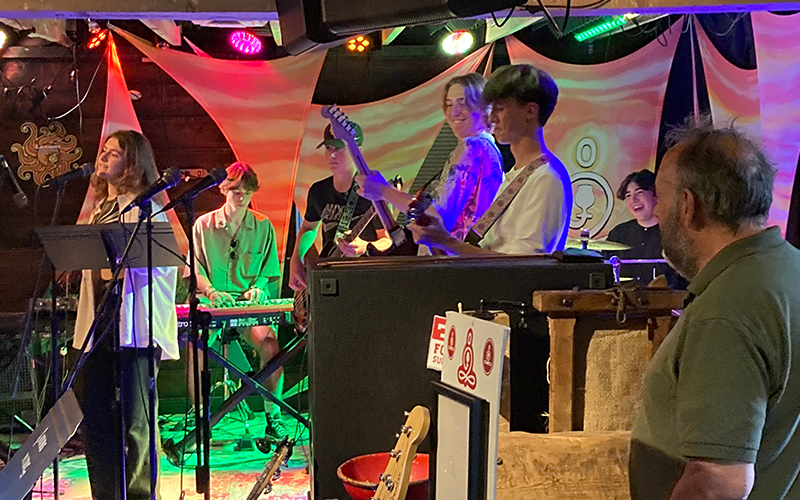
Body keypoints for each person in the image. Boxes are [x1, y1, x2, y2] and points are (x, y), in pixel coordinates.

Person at [629, 122, 800, 499]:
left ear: (689, 207)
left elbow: (718, 481)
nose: (657, 214)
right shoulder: (789, 270)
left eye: (662, 197)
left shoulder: (726, 310)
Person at [73, 130, 179, 500]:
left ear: (133, 163)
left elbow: (168, 264)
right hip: (97, 330)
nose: (103, 158)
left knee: (136, 424)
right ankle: (105, 494)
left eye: (113, 153)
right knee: (96, 421)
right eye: (103, 151)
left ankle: (139, 495)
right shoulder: (99, 210)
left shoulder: (149, 208)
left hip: (133, 330)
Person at [409, 64, 571, 255]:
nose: (492, 117)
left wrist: (447, 242)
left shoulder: (546, 178)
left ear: (530, 111)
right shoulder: (517, 175)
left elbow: (524, 266)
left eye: (500, 109)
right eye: (491, 109)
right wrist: (441, 242)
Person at [191, 162, 287, 444]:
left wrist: (258, 287)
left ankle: (274, 417)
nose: (241, 197)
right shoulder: (203, 225)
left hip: (247, 307)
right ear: (223, 189)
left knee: (270, 344)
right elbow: (194, 271)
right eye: (235, 191)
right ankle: (201, 421)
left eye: (247, 191)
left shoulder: (263, 225)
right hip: (214, 304)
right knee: (197, 347)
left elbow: (268, 273)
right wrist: (211, 291)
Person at [356, 73, 504, 250]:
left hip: (451, 264)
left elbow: (436, 218)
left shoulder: (472, 146)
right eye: (449, 104)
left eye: (463, 102)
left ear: (483, 107)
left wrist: (384, 191)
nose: (454, 112)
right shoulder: (489, 149)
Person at [288, 122, 392, 292]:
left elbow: (388, 240)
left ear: (357, 150)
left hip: (367, 282)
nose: (332, 154)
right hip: (332, 281)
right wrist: (296, 259)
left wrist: (365, 246)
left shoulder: (371, 191)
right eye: (329, 148)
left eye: (339, 148)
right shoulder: (318, 191)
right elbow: (308, 227)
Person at [606, 169, 685, 288]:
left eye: (640, 192)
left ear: (655, 194)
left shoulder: (674, 232)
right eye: (628, 196)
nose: (634, 200)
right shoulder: (618, 234)